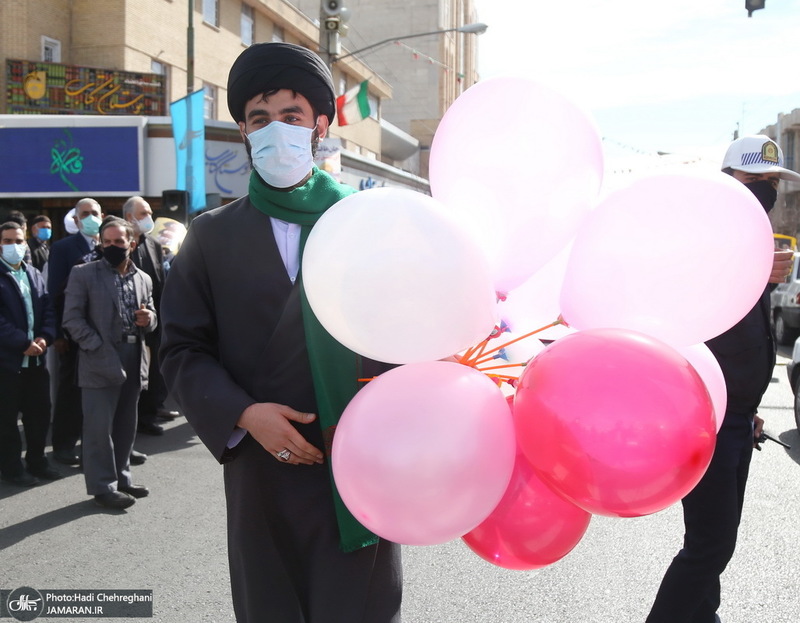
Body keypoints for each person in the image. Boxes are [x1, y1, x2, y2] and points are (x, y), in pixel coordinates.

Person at [159, 43, 402, 623]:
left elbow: (407, 335)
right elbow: (181, 349)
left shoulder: (370, 224)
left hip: (359, 460)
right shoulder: (211, 236)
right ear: (242, 130)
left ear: (320, 124)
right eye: (259, 119)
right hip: (261, 469)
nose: (275, 131)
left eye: (290, 116)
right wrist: (244, 415)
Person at [645, 134, 799, 623]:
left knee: (716, 543)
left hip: (737, 419)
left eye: (771, 182)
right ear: (728, 182)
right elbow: (688, 321)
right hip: (705, 419)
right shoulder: (707, 241)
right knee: (711, 546)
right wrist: (752, 272)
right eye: (755, 181)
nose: (765, 192)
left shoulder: (753, 245)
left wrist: (750, 408)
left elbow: (745, 338)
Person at [62, 217, 157, 510]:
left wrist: (149, 319)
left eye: (119, 242)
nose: (112, 247)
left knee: (126, 424)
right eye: (107, 242)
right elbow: (72, 320)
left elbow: (152, 312)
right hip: (99, 359)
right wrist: (98, 348)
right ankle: (103, 486)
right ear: (100, 244)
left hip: (134, 354)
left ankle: (122, 477)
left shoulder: (143, 277)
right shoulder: (84, 274)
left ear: (132, 242)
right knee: (98, 429)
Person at [0, 222, 61, 486]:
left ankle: (38, 461)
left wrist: (45, 336)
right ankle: (12, 469)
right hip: (8, 363)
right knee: (7, 421)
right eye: (7, 241)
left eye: (18, 240)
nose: (14, 245)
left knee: (39, 415)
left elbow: (48, 307)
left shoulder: (33, 273)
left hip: (36, 360)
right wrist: (22, 342)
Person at [48, 198, 104, 466]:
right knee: (69, 393)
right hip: (73, 334)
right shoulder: (63, 248)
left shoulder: (109, 244)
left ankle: (93, 448)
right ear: (77, 219)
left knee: (97, 397)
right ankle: (63, 445)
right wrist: (59, 334)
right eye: (86, 214)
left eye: (95, 213)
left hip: (103, 334)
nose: (91, 217)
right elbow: (55, 294)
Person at [122, 196, 178, 435]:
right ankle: (128, 423)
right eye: (143, 213)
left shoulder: (153, 244)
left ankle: (148, 416)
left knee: (153, 371)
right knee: (131, 376)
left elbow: (160, 282)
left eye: (148, 213)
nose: (148, 218)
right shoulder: (120, 244)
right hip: (128, 325)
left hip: (153, 320)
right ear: (129, 217)